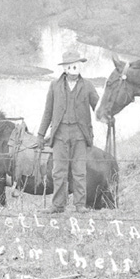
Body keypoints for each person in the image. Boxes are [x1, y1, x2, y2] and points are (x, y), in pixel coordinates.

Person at [36, 50, 100, 213]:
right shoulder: (54, 86)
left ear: (80, 66)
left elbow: (98, 108)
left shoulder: (88, 86)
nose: (74, 68)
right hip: (60, 135)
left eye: (77, 65)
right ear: (64, 68)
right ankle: (58, 205)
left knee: (79, 171)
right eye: (70, 65)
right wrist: (40, 134)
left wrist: (108, 115)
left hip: (80, 135)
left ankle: (80, 205)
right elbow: (48, 112)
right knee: (59, 172)